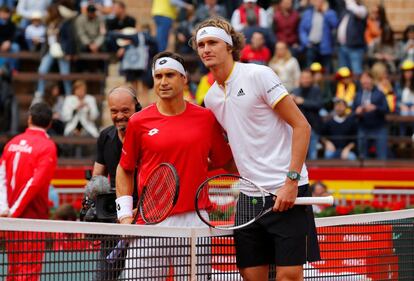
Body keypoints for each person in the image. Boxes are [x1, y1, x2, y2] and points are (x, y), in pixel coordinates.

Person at [192, 17, 320, 281]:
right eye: (201, 44)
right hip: (249, 197)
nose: (205, 49)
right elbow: (231, 146)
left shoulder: (258, 75)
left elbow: (302, 127)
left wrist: (291, 182)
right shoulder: (211, 97)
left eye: (212, 42)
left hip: (285, 191)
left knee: (288, 277)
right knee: (251, 277)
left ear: (229, 46)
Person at [115, 51, 234, 279]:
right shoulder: (138, 122)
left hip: (195, 220)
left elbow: (225, 161)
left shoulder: (206, 118)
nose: (163, 82)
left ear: (184, 79)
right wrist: (124, 216)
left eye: (170, 75)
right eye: (158, 76)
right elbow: (125, 168)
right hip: (149, 221)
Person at [0, 103, 57, 281]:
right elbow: (35, 184)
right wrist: (14, 213)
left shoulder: (11, 143)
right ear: (49, 124)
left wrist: (4, 209)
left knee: (14, 270)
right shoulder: (47, 147)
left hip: (10, 220)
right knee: (28, 273)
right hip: (32, 221)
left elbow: (1, 176)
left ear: (29, 119)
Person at [353, 70, 389, 160]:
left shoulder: (380, 94)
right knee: (362, 157)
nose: (365, 81)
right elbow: (352, 113)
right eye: (363, 79)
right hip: (363, 128)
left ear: (372, 80)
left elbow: (387, 109)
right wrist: (357, 112)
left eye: (367, 78)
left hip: (379, 128)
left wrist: (375, 108)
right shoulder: (358, 95)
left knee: (381, 157)